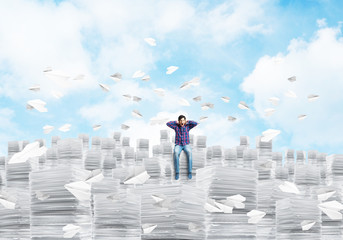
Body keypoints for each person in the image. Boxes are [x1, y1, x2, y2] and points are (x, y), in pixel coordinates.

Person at [166, 115, 198, 180]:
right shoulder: (176, 126)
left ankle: (190, 172)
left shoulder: (188, 126)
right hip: (178, 144)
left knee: (189, 153)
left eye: (183, 120)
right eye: (181, 120)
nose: (182, 122)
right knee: (175, 153)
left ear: (185, 121)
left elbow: (195, 123)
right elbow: (168, 124)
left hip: (186, 144)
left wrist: (188, 121)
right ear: (179, 121)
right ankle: (177, 172)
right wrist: (176, 122)